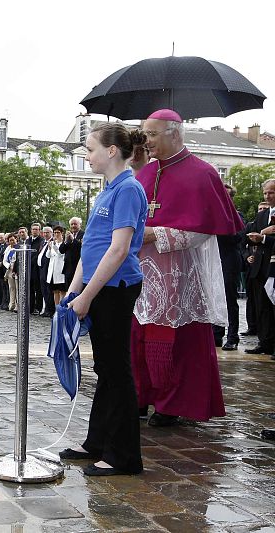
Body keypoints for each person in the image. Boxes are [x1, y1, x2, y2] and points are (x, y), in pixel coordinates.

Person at [131, 109, 244, 426]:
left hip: (180, 274)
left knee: (177, 342)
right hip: (143, 272)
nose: (146, 139)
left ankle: (171, 403)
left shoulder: (203, 173)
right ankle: (140, 395)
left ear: (174, 133)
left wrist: (158, 234)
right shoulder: (144, 174)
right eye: (144, 133)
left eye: (151, 133)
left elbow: (206, 228)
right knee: (139, 337)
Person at [59, 123, 148, 476]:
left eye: (90, 148)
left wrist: (87, 296)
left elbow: (118, 250)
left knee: (117, 371)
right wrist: (74, 290)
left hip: (115, 288)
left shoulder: (128, 189)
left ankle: (123, 455)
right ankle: (97, 442)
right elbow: (91, 246)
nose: (87, 154)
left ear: (112, 151)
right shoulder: (108, 189)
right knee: (105, 370)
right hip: (99, 287)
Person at [244, 180, 275, 358]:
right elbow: (250, 235)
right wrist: (256, 237)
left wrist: (262, 238)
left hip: (273, 266)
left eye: (271, 193)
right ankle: (265, 342)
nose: (267, 196)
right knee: (261, 307)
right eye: (265, 193)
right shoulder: (262, 216)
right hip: (259, 267)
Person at [213, 183, 244, 351]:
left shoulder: (237, 216)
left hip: (229, 261)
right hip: (213, 261)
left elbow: (238, 237)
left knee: (230, 300)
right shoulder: (211, 214)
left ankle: (233, 336)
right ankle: (217, 334)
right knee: (214, 298)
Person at [59, 217, 84, 288]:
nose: (73, 226)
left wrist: (73, 239)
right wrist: (66, 241)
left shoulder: (84, 234)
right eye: (71, 224)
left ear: (80, 225)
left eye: (75, 224)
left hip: (78, 267)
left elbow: (80, 248)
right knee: (68, 289)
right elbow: (61, 250)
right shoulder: (68, 235)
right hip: (68, 268)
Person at [46, 225, 67, 305]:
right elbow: (48, 256)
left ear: (62, 233)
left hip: (60, 270)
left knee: (62, 291)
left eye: (58, 232)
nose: (56, 234)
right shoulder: (52, 243)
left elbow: (61, 254)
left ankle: (61, 308)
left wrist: (54, 246)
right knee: (55, 291)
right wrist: (49, 248)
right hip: (52, 270)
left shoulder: (64, 243)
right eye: (55, 232)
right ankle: (56, 309)